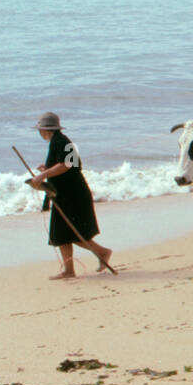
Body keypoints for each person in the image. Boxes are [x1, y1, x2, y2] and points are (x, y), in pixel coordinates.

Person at [26, 112, 113, 279]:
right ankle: (69, 270)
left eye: (40, 130)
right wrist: (47, 168)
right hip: (65, 193)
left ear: (45, 130)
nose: (39, 133)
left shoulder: (61, 141)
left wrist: (42, 176)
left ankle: (102, 252)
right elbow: (68, 165)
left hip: (73, 194)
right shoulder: (59, 142)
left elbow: (67, 165)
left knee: (74, 232)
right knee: (61, 233)